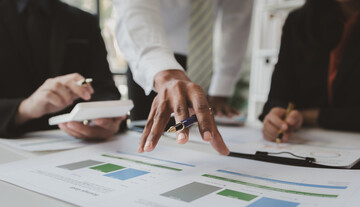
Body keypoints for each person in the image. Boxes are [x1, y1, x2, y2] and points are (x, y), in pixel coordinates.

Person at [114, 0, 253, 155]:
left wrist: (221, 88)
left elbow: (237, 19)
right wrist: (164, 73)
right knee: (150, 140)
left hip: (204, 61)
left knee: (198, 138)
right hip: (151, 60)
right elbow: (136, 9)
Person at [0, 0, 125, 139]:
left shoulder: (84, 21)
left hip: (77, 142)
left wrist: (105, 118)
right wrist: (24, 109)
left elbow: (104, 88)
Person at [260, 0, 360, 142]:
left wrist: (309, 116)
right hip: (307, 147)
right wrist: (277, 118)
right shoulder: (299, 22)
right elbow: (277, 100)